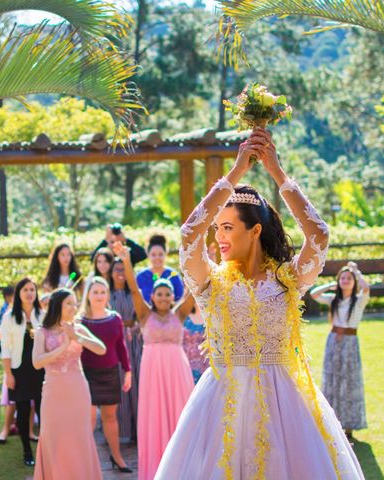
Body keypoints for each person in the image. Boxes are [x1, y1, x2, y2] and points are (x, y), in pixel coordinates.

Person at [156, 128, 364, 479]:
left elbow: (319, 235)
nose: (218, 236)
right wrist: (236, 170)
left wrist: (276, 171)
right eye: (217, 227)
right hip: (220, 408)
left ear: (254, 231)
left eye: (228, 227)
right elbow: (190, 233)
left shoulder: (288, 280)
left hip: (287, 409)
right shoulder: (208, 281)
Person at [113, 241, 195, 480]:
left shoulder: (179, 313)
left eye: (167, 293)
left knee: (180, 414)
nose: (163, 297)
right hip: (152, 371)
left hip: (177, 370)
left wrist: (201, 260)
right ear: (152, 296)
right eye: (159, 293)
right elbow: (133, 289)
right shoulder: (144, 313)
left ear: (172, 296)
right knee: (155, 417)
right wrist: (127, 262)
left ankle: (183, 467)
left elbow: (193, 288)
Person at [33, 288, 106, 480]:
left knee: (78, 435)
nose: (74, 307)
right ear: (58, 305)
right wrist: (63, 347)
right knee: (52, 434)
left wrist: (77, 337)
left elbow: (101, 349)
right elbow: (37, 362)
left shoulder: (78, 328)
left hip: (77, 388)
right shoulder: (42, 331)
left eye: (75, 303)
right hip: (53, 389)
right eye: (69, 303)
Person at [311, 262, 370, 441]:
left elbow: (366, 288)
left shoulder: (359, 300)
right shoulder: (333, 299)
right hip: (333, 342)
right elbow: (314, 294)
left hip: (350, 343)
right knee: (332, 379)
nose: (345, 280)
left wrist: (356, 272)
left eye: (348, 278)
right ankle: (331, 422)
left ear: (354, 282)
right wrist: (331, 285)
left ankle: (349, 424)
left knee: (349, 380)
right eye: (343, 278)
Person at [80, 276, 133, 473]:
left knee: (110, 418)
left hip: (111, 373)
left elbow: (121, 347)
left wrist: (128, 372)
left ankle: (117, 457)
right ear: (88, 295)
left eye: (103, 292)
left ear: (107, 295)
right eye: (95, 292)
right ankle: (86, 460)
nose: (99, 296)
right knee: (90, 419)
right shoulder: (80, 320)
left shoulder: (115, 318)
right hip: (87, 374)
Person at [0, 277, 45, 466]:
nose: (29, 293)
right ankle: (27, 451)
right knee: (24, 411)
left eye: (32, 289)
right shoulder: (9, 317)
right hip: (19, 371)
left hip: (40, 370)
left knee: (44, 411)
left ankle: (45, 449)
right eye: (25, 289)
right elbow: (5, 348)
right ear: (19, 293)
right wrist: (9, 374)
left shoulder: (43, 315)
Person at [110, 257, 142, 442]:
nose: (120, 272)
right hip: (116, 342)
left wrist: (135, 327)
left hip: (135, 341)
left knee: (136, 384)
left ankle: (139, 431)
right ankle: (122, 431)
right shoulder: (108, 294)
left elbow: (143, 316)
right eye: (117, 269)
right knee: (121, 383)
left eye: (123, 269)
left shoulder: (134, 293)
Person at [135, 234, 184, 303]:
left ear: (165, 254)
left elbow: (180, 300)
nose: (157, 258)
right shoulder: (140, 277)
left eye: (160, 254)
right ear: (148, 255)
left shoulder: (173, 275)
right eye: (153, 255)